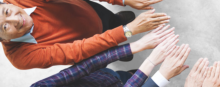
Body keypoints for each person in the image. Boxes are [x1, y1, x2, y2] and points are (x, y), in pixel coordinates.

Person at [0, 0, 172, 70]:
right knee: (112, 46)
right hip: (88, 44)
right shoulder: (21, 57)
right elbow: (75, 51)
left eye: (7, 11)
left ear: (3, 3)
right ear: (0, 40)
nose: (16, 19)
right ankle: (120, 47)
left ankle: (116, 23)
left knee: (112, 20)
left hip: (85, 9)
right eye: (6, 27)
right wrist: (127, 32)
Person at [32, 27, 192, 87]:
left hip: (108, 78)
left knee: (127, 75)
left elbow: (83, 68)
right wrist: (152, 65)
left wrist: (136, 45)